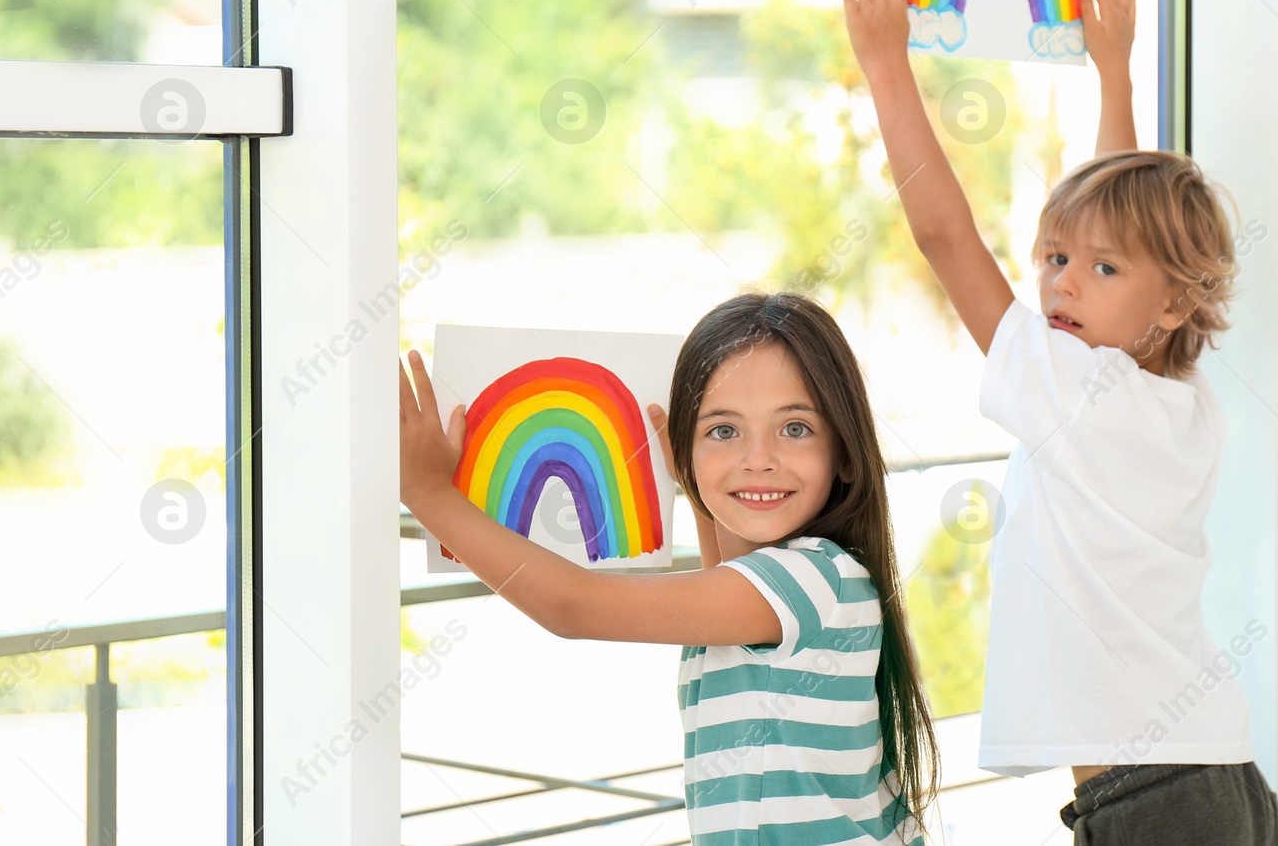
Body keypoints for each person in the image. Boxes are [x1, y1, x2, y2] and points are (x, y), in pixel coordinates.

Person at [840, 0, 1278, 843]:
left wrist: (886, 65)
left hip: (1157, 799)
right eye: (1051, 257)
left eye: (1096, 269)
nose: (1060, 283)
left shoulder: (1074, 394)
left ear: (1170, 305)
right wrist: (1111, 75)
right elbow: (1128, 248)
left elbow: (947, 238)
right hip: (1221, 775)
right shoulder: (1180, 399)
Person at [399, 290, 939, 845]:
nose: (758, 459)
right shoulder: (775, 594)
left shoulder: (816, 579)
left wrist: (429, 495)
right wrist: (692, 478)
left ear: (845, 451)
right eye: (724, 431)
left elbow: (573, 605)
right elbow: (724, 573)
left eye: (795, 428)